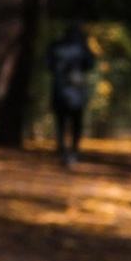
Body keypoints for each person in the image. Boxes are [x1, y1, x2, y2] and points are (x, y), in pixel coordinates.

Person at [47, 17, 99, 166]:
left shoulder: (56, 46)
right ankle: (74, 149)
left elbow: (48, 64)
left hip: (60, 89)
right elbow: (90, 63)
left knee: (61, 122)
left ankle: (63, 149)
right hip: (76, 90)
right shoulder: (81, 47)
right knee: (76, 122)